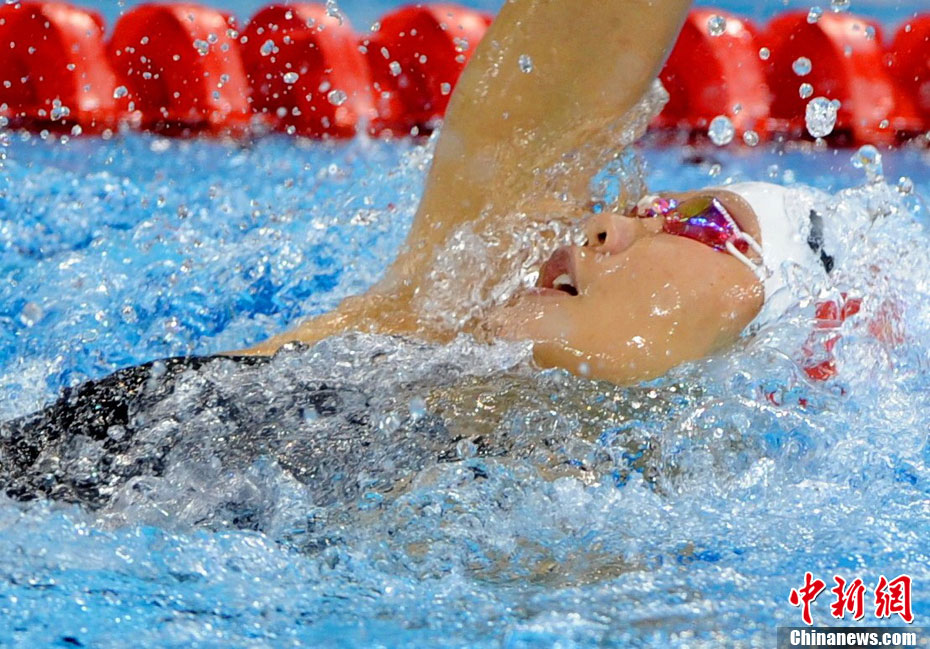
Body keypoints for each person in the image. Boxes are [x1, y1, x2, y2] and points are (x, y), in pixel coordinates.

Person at [0, 0, 835, 510]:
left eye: (704, 226)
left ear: (756, 336)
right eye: (641, 207)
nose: (608, 226)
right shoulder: (437, 314)